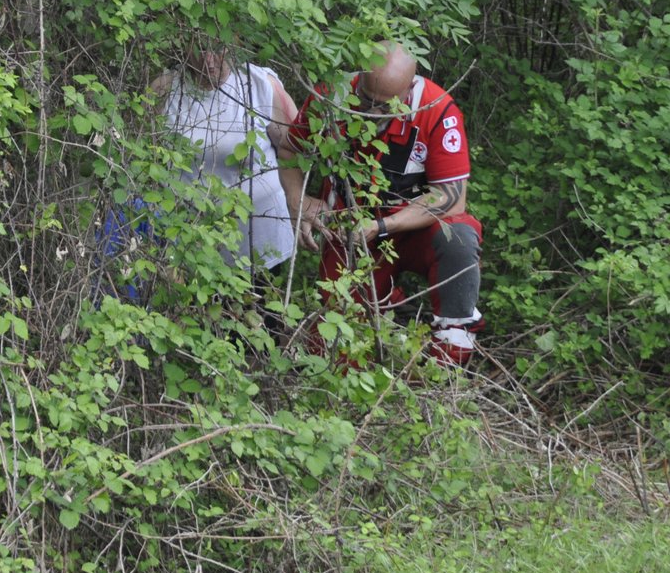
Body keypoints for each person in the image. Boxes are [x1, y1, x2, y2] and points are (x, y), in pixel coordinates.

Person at [289, 42, 483, 365]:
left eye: (385, 106)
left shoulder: (437, 110)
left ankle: (449, 361)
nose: (371, 112)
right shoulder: (331, 96)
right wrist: (299, 200)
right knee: (334, 348)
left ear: (408, 91)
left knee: (460, 237)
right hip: (351, 232)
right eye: (366, 99)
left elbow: (452, 198)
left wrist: (383, 226)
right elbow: (290, 148)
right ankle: (385, 305)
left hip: (412, 228)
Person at [149, 45, 304, 288]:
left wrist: (297, 202)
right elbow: (146, 159)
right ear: (184, 45)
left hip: (262, 243)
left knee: (265, 319)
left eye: (216, 49)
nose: (208, 60)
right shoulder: (165, 90)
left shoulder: (260, 85)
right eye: (198, 49)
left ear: (233, 41)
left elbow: (293, 147)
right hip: (193, 246)